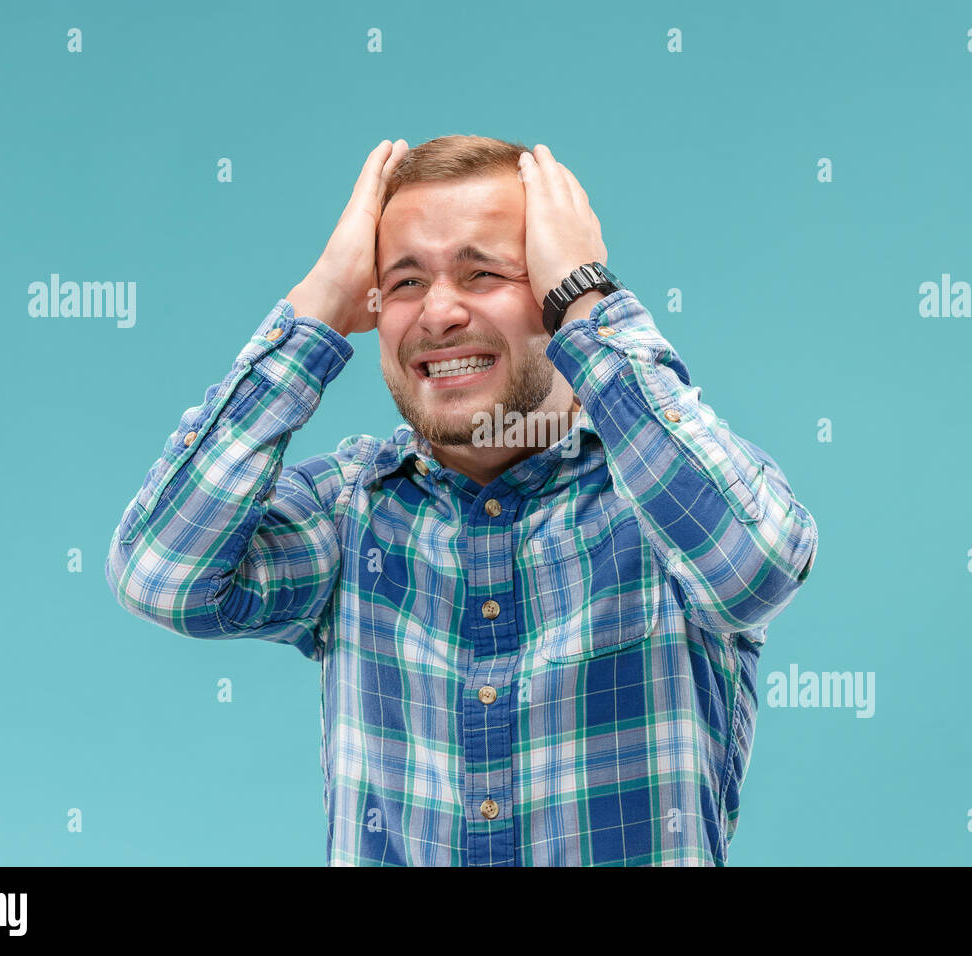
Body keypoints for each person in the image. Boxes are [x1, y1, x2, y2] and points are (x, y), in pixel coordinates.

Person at [105, 134, 819, 866]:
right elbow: (160, 575)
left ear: (553, 288)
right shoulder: (350, 511)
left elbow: (757, 565)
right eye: (405, 282)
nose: (438, 313)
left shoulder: (661, 499)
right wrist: (317, 302)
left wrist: (588, 300)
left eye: (484, 273)